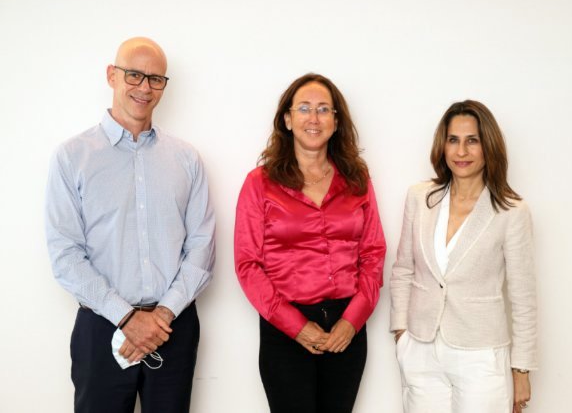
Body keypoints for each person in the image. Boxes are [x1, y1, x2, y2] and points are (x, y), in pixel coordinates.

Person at [45, 37, 215, 413]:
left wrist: (162, 315)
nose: (145, 87)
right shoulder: (72, 157)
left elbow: (202, 246)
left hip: (173, 326)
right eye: (134, 75)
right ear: (112, 75)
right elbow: (65, 254)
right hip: (101, 325)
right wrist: (126, 317)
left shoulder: (186, 159)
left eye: (156, 79)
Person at [234, 73, 386, 413]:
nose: (313, 118)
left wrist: (352, 321)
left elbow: (373, 253)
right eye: (304, 108)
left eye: (323, 109)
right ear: (288, 119)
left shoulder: (357, 179)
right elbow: (247, 265)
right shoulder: (259, 184)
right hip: (285, 329)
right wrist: (297, 327)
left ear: (336, 120)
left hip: (347, 327)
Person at [389, 100, 537, 413]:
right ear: (442, 146)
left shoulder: (511, 211)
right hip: (421, 349)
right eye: (453, 140)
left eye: (472, 141)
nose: (461, 151)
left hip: (480, 354)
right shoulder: (420, 197)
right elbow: (403, 269)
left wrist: (521, 370)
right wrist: (401, 335)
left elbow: (523, 296)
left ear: (488, 146)